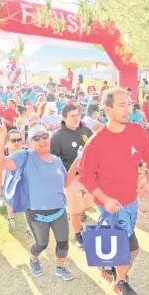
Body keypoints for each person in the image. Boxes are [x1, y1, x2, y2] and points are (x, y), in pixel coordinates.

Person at [79, 87, 149, 295]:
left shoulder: (138, 131)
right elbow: (85, 177)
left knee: (119, 244)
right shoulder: (96, 142)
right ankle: (120, 282)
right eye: (122, 105)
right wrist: (105, 199)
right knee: (131, 249)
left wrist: (148, 180)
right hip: (111, 206)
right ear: (107, 109)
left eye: (129, 104)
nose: (127, 109)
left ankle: (109, 267)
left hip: (132, 202)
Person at [0, 124, 80, 281]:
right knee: (42, 243)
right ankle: (33, 259)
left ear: (50, 137)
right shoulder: (24, 156)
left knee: (63, 243)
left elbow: (66, 183)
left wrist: (75, 165)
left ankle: (60, 268)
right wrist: (1, 138)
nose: (42, 140)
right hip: (36, 212)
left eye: (45, 136)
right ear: (30, 142)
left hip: (59, 210)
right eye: (36, 138)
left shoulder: (56, 160)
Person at [50, 104, 94, 247]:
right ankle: (77, 235)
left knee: (89, 203)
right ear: (64, 118)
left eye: (78, 115)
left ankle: (74, 216)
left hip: (88, 176)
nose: (76, 119)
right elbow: (54, 161)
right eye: (72, 116)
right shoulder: (57, 137)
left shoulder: (86, 130)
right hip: (70, 178)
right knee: (75, 210)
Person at [0, 130, 24, 230]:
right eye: (13, 140)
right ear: (7, 141)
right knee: (10, 202)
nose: (17, 142)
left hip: (24, 181)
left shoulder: (26, 152)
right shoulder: (3, 153)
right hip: (8, 181)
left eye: (19, 140)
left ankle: (30, 226)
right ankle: (11, 218)